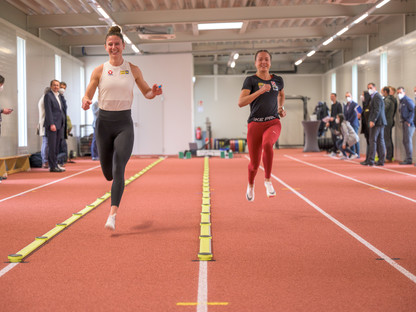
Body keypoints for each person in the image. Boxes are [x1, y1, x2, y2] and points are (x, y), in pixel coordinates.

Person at [82, 26, 163, 230]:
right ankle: (112, 194)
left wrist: (153, 92)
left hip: (124, 124)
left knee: (119, 170)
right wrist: (85, 100)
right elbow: (89, 93)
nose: (113, 47)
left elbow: (147, 93)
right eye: (110, 44)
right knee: (108, 173)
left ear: (123, 46)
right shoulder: (99, 70)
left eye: (117, 44)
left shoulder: (133, 69)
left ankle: (112, 215)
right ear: (106, 47)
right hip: (103, 124)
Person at [238, 49, 286, 202]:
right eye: (260, 59)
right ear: (255, 63)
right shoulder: (250, 80)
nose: (263, 62)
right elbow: (241, 102)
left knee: (267, 144)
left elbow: (282, 94)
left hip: (273, 122)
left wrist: (280, 108)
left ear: (270, 62)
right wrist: (259, 92)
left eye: (266, 59)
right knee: (254, 164)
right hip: (255, 125)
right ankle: (251, 185)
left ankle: (268, 181)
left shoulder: (278, 80)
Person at [361, 83, 387, 166]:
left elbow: (377, 110)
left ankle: (371, 160)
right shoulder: (374, 97)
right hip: (379, 122)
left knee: (373, 140)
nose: (369, 89)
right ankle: (381, 160)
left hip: (377, 122)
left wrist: (373, 120)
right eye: (368, 88)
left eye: (371, 87)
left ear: (375, 88)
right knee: (379, 141)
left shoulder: (377, 97)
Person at [44, 79, 67, 172]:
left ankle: (56, 163)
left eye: (58, 85)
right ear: (51, 86)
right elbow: (48, 111)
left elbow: (61, 110)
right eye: (54, 85)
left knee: (57, 146)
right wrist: (51, 123)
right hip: (52, 125)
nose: (56, 87)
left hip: (60, 124)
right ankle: (52, 166)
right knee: (52, 146)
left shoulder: (59, 96)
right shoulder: (48, 96)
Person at [397, 87, 415, 165]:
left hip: (409, 124)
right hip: (404, 122)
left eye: (400, 92)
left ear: (404, 93)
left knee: (407, 141)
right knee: (405, 141)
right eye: (397, 93)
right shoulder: (401, 101)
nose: (399, 94)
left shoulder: (407, 100)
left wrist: (409, 121)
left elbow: (413, 110)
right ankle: (407, 157)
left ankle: (409, 159)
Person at [37, 87, 51, 168]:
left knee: (46, 143)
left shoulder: (43, 98)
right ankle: (45, 161)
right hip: (45, 123)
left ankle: (45, 161)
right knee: (46, 143)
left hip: (44, 123)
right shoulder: (45, 99)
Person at [382, 86, 396, 163]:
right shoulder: (391, 99)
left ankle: (389, 157)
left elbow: (384, 110)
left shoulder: (388, 100)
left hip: (387, 121)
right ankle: (389, 156)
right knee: (388, 139)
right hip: (389, 121)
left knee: (387, 139)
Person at [343, 92, 360, 157]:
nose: (348, 97)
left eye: (349, 96)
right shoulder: (345, 105)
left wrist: (349, 122)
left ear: (351, 97)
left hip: (354, 123)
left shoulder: (355, 104)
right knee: (350, 139)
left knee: (355, 138)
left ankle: (357, 153)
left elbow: (357, 114)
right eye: (346, 96)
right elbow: (345, 115)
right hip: (348, 124)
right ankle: (352, 153)